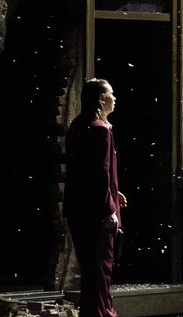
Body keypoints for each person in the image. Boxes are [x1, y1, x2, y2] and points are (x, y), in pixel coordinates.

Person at [63, 79, 128, 317]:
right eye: (111, 94)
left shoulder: (78, 125)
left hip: (79, 209)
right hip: (96, 213)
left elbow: (84, 171)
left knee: (91, 272)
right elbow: (99, 173)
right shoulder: (100, 130)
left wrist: (114, 191)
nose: (115, 98)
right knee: (101, 271)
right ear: (101, 99)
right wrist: (109, 210)